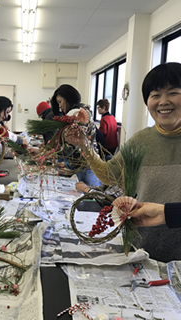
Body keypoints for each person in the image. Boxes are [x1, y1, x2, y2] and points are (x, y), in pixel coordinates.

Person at [65, 62, 181, 262]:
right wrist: (84, 146)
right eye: (155, 95)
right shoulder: (141, 141)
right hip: (144, 247)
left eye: (173, 93)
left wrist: (166, 213)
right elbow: (108, 175)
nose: (163, 101)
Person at [50, 84, 102, 187]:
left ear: (68, 98)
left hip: (87, 167)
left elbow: (71, 146)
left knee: (89, 198)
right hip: (80, 166)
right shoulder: (74, 114)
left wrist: (50, 152)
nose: (60, 106)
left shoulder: (80, 115)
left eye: (60, 102)